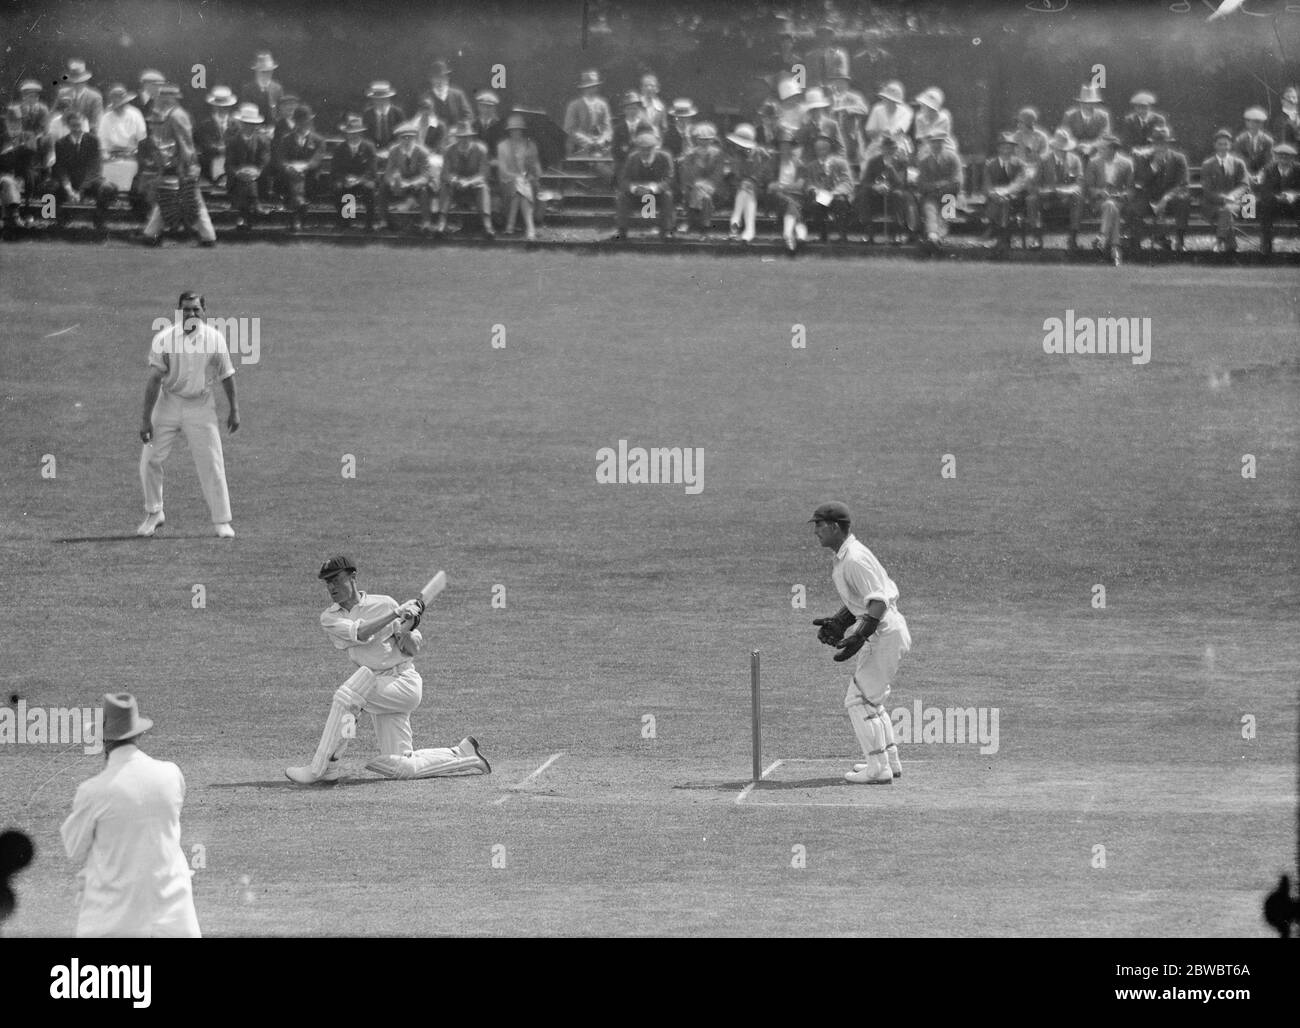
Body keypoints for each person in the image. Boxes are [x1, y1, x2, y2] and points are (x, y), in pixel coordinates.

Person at [285, 555, 491, 784]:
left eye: (336, 579)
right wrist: (395, 614)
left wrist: (409, 632)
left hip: (403, 682)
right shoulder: (330, 617)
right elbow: (361, 633)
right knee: (401, 764)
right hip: (378, 688)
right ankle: (463, 754)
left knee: (349, 694)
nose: (331, 586)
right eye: (327, 582)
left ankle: (322, 768)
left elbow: (409, 647)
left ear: (353, 577)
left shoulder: (384, 603)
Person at [60, 693, 200, 938]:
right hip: (175, 918)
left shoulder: (93, 791)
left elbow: (74, 848)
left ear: (104, 739)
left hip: (115, 921)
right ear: (139, 733)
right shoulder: (171, 774)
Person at [809, 502, 910, 785]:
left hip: (885, 633)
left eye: (819, 525)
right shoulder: (846, 556)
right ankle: (889, 761)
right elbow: (863, 599)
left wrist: (860, 633)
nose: (815, 531)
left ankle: (877, 768)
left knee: (858, 700)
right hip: (884, 632)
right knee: (871, 700)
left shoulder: (854, 558)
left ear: (834, 527)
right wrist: (842, 621)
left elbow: (878, 600)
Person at [137, 291, 239, 539]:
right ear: (179, 311)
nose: (191, 313)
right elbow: (153, 380)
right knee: (150, 459)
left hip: (201, 406)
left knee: (212, 463)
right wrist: (145, 419)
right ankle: (154, 512)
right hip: (168, 401)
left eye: (195, 309)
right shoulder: (165, 338)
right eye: (186, 309)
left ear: (204, 310)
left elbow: (227, 374)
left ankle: (221, 521)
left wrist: (234, 410)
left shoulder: (215, 339)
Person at [141, 83, 216, 246]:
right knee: (168, 197)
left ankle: (208, 237)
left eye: (165, 96)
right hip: (171, 163)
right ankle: (151, 233)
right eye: (162, 95)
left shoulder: (177, 115)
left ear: (172, 98)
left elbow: (186, 143)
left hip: (181, 165)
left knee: (192, 198)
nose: (161, 99)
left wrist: (186, 166)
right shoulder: (166, 114)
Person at [1128, 126, 1189, 253]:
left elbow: (1182, 184)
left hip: (1170, 201)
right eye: (1157, 142)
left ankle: (1180, 241)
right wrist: (1154, 166)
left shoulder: (1178, 158)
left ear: (1168, 143)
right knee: (1134, 205)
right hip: (1149, 199)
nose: (1160, 146)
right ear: (1153, 143)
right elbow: (1140, 181)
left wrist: (1166, 198)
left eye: (1163, 142)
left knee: (1183, 201)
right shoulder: (1143, 158)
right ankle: (1136, 241)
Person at [51, 110, 114, 232]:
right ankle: (53, 220)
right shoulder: (60, 143)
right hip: (70, 182)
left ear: (83, 125)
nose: (76, 129)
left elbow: (94, 168)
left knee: (108, 188)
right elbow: (60, 168)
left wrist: (81, 190)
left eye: (79, 125)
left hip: (90, 182)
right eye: (73, 126)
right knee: (48, 189)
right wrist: (68, 187)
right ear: (68, 126)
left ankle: (99, 222)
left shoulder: (93, 141)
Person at [1027, 128, 1084, 251]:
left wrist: (1067, 190)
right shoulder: (1043, 160)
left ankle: (1073, 238)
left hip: (1067, 198)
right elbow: (1035, 184)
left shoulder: (1075, 160)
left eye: (1065, 149)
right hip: (1047, 198)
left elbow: (1079, 183)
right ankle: (1037, 238)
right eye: (1059, 149)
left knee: (1078, 197)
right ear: (1054, 148)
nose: (1063, 151)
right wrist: (1044, 190)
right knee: (1032, 199)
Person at [611, 129, 674, 240]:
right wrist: (634, 188)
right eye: (642, 149)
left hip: (657, 195)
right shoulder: (632, 158)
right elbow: (624, 179)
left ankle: (666, 230)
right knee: (622, 197)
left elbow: (669, 179)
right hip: (636, 195)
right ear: (638, 148)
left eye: (649, 149)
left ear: (655, 147)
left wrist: (653, 188)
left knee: (667, 196)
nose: (645, 152)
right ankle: (621, 230)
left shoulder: (665, 158)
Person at [436, 122, 493, 237]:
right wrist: (454, 180)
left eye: (466, 137)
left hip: (474, 187)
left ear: (471, 137)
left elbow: (484, 174)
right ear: (456, 138)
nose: (464, 140)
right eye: (461, 137)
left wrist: (469, 182)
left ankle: (487, 226)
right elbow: (445, 174)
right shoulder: (449, 150)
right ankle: (441, 224)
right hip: (455, 187)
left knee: (483, 188)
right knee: (445, 187)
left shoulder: (481, 149)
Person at [274, 104, 325, 232]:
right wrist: (288, 167)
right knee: (293, 180)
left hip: (310, 176)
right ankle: (297, 215)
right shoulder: (286, 139)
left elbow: (316, 159)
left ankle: (296, 217)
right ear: (295, 122)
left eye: (306, 121)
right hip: (290, 176)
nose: (303, 124)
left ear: (310, 121)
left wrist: (304, 167)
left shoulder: (319, 140)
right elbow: (281, 158)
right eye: (300, 121)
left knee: (299, 180)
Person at [1083, 133, 1132, 265]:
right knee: (1111, 207)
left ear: (1112, 149)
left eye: (1103, 148)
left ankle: (1103, 237)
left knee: (1112, 206)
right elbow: (1089, 187)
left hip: (1119, 201)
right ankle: (1115, 248)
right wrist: (1100, 192)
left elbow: (1131, 188)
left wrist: (1123, 195)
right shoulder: (1093, 163)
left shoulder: (1126, 163)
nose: (1099, 150)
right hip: (1099, 203)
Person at [855, 135, 915, 244]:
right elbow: (865, 181)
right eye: (886, 148)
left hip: (893, 196)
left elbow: (901, 184)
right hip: (876, 196)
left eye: (892, 148)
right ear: (882, 149)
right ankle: (868, 232)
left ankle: (896, 233)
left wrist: (890, 168)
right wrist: (875, 186)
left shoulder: (901, 163)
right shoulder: (873, 161)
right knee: (864, 193)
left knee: (898, 195)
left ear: (896, 149)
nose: (889, 151)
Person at [1200, 127, 1250, 254]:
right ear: (1214, 146)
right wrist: (1224, 199)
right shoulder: (1207, 165)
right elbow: (1207, 191)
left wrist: (1232, 196)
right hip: (1213, 206)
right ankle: (1231, 246)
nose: (1223, 147)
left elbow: (1244, 185)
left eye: (1226, 144)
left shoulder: (1238, 163)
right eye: (1220, 144)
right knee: (1226, 211)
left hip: (1236, 204)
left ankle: (1219, 241)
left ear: (1230, 145)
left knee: (1227, 210)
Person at [379, 121, 434, 232]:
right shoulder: (394, 151)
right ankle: (383, 221)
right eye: (403, 137)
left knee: (424, 190)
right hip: (401, 184)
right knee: (383, 188)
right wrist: (394, 182)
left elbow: (426, 175)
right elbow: (388, 173)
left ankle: (426, 223)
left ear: (415, 138)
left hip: (417, 184)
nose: (406, 140)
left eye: (410, 137)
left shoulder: (422, 152)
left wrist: (411, 183)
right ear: (399, 139)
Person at [915, 128, 962, 254]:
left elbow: (957, 181)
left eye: (939, 142)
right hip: (931, 195)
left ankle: (938, 238)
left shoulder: (953, 158)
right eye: (934, 142)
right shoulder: (924, 161)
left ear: (944, 143)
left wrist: (938, 187)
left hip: (950, 194)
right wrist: (937, 187)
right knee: (929, 207)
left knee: (947, 207)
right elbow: (921, 184)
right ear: (930, 144)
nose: (937, 145)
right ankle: (933, 236)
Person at [800, 130, 853, 242]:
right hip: (820, 196)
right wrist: (814, 190)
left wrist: (834, 192)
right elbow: (808, 183)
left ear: (829, 149)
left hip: (837, 196)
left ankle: (842, 236)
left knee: (840, 203)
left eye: (824, 149)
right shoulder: (811, 166)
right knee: (816, 204)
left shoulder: (840, 163)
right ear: (815, 151)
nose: (822, 152)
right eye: (819, 149)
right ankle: (822, 236)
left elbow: (847, 182)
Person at [225, 103, 271, 229]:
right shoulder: (233, 141)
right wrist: (238, 172)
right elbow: (228, 163)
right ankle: (255, 205)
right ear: (240, 123)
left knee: (249, 181)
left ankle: (242, 216)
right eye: (245, 123)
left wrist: (257, 172)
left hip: (258, 178)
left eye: (252, 124)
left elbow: (265, 159)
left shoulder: (262, 140)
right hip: (237, 179)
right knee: (244, 181)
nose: (248, 127)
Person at [496, 112, 541, 239]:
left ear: (522, 130)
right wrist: (517, 177)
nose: (516, 132)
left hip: (527, 182)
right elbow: (503, 171)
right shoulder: (502, 146)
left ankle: (510, 225)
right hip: (507, 181)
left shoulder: (530, 145)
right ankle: (530, 227)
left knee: (520, 188)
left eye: (518, 130)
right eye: (513, 130)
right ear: (509, 131)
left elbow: (537, 167)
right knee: (519, 185)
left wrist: (533, 175)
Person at [983, 131, 1029, 254]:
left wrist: (1005, 191)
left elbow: (1020, 182)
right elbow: (987, 185)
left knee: (1005, 201)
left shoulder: (1019, 164)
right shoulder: (990, 164)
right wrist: (993, 193)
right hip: (995, 199)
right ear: (998, 148)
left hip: (1015, 200)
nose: (1006, 149)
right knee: (1002, 202)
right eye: (1003, 146)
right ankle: (1003, 240)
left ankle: (999, 236)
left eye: (1009, 146)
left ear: (1013, 148)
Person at [724, 122, 769, 243]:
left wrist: (752, 180)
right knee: (745, 191)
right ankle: (749, 229)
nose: (740, 147)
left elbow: (764, 173)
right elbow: (736, 174)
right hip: (740, 188)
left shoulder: (762, 154)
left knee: (747, 191)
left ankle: (735, 222)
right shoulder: (736, 156)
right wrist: (743, 182)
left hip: (758, 188)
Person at [678, 122, 726, 236]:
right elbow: (687, 175)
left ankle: (689, 222)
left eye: (707, 139)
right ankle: (705, 227)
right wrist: (696, 161)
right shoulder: (691, 154)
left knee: (702, 192)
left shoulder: (718, 154)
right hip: (694, 187)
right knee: (705, 198)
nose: (704, 142)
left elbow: (718, 175)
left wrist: (705, 185)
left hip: (713, 187)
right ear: (697, 140)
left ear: (712, 140)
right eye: (701, 139)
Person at [331, 115, 378, 230]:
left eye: (356, 133)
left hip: (364, 180)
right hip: (347, 181)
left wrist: (360, 180)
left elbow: (372, 169)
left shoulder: (369, 147)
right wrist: (345, 179)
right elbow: (335, 169)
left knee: (369, 190)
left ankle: (369, 224)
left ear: (361, 133)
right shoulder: (340, 149)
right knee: (342, 190)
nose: (354, 136)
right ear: (346, 134)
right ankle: (347, 221)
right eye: (350, 133)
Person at [766, 128, 806, 252]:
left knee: (792, 204)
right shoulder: (773, 162)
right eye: (782, 145)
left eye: (787, 145)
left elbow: (799, 185)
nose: (785, 148)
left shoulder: (798, 163)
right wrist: (781, 187)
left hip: (795, 196)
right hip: (777, 197)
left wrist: (783, 186)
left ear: (792, 147)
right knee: (790, 203)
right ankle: (797, 235)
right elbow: (770, 185)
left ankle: (789, 235)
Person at [1258, 142, 1300, 257]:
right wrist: (1277, 197)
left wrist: (1294, 195)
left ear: (1292, 158)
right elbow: (1264, 190)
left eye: (1287, 156)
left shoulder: (1298, 169)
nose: (1283, 159)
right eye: (1280, 156)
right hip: (1276, 205)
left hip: (1295, 205)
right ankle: (1266, 248)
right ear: (1275, 157)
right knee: (1265, 209)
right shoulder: (1268, 169)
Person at [193, 85, 238, 185]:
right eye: (219, 106)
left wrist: (227, 149)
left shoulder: (236, 124)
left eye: (225, 107)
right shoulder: (204, 124)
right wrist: (220, 150)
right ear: (214, 106)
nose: (222, 109)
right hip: (211, 160)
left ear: (229, 107)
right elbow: (205, 145)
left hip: (230, 161)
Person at [564, 70, 612, 157]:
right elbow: (569, 129)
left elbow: (608, 128)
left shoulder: (602, 105)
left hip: (600, 148)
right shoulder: (574, 105)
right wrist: (587, 141)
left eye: (594, 86)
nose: (592, 89)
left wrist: (601, 140)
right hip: (578, 148)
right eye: (589, 87)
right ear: (583, 88)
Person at [1059, 84, 1111, 162]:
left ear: (1096, 103)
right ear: (1080, 103)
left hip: (1096, 154)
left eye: (1091, 103)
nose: (1088, 106)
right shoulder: (1070, 115)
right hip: (1074, 153)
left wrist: (1091, 146)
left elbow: (1105, 136)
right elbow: (1065, 134)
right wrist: (1078, 146)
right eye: (1085, 103)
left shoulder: (1103, 116)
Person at [427, 59, 473, 129]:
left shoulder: (458, 95)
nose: (440, 81)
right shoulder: (427, 97)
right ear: (431, 80)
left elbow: (469, 116)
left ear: (447, 78)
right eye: (436, 77)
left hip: (457, 136)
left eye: (442, 77)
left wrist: (460, 127)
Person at [362, 81, 404, 155]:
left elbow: (402, 135)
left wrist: (390, 150)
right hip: (374, 152)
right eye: (377, 99)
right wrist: (375, 151)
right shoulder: (367, 114)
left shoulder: (397, 113)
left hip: (394, 151)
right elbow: (365, 136)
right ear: (372, 100)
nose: (380, 102)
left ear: (389, 98)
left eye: (384, 99)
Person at [240, 51, 284, 123]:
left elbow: (280, 111)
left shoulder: (277, 88)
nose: (266, 74)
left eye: (269, 71)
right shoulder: (248, 89)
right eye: (262, 72)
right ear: (256, 72)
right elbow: (244, 112)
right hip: (253, 127)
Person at [1234, 107, 1274, 183]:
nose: (1253, 125)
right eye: (1250, 122)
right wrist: (1249, 175)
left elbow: (1269, 160)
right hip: (1244, 174)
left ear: (1261, 124)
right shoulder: (1240, 140)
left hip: (1263, 175)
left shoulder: (1267, 140)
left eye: (1257, 122)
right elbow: (1239, 160)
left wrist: (1261, 174)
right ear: (1246, 123)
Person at [64, 59, 104, 130]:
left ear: (85, 81)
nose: (76, 84)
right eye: (73, 81)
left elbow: (96, 123)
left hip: (86, 136)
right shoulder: (63, 94)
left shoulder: (95, 97)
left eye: (79, 81)